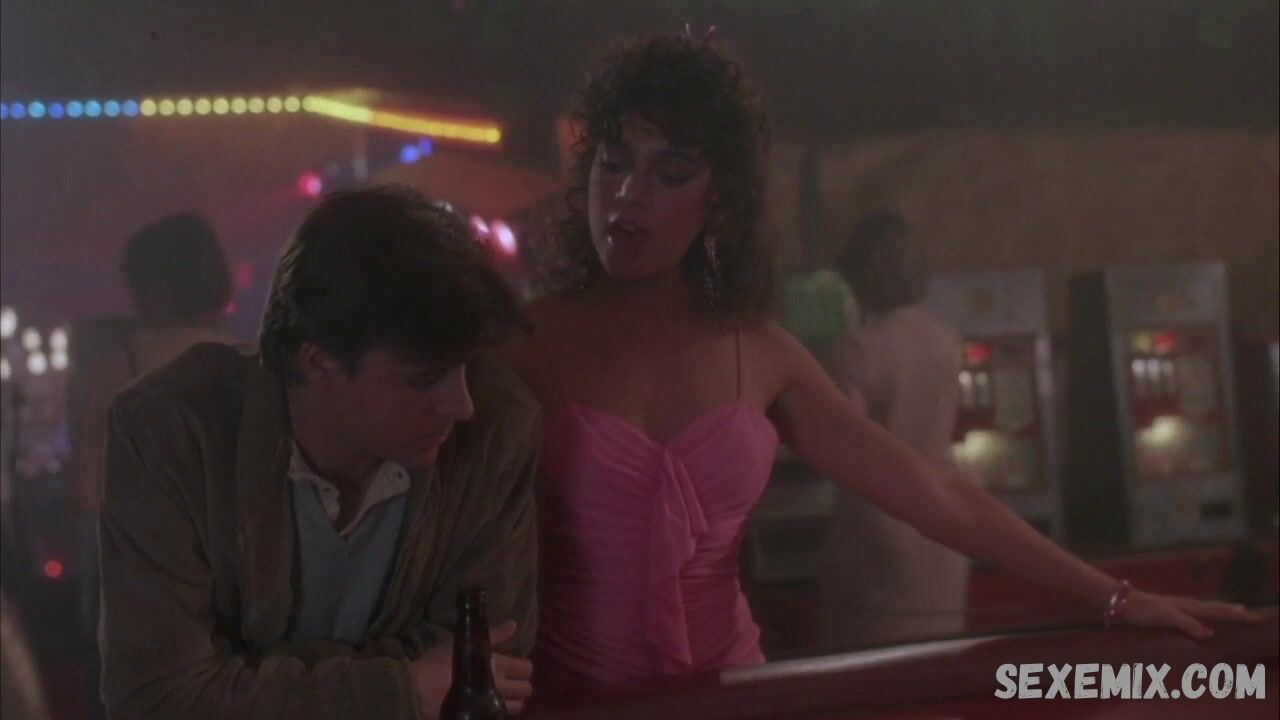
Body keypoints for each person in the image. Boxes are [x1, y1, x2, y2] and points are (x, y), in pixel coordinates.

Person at [501, 33, 1263, 695]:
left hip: (731, 696)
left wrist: (1117, 598)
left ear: (719, 203)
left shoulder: (760, 353)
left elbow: (935, 493)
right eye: (612, 163)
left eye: (669, 173)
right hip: (577, 700)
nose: (627, 196)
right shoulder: (522, 344)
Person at [97, 186, 538, 719]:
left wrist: (239, 676)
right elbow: (157, 697)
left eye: (465, 365)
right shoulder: (174, 429)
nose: (461, 404)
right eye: (424, 378)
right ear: (318, 361)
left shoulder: (496, 427)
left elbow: (488, 667)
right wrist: (402, 689)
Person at [66, 211, 237, 719]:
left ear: (152, 288)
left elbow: (85, 490)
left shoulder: (116, 369)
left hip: (135, 583)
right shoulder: (252, 363)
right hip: (232, 573)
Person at [819, 212, 970, 649]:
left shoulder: (857, 349)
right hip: (944, 523)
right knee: (937, 662)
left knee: (868, 668)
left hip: (878, 526)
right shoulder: (946, 340)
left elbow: (841, 447)